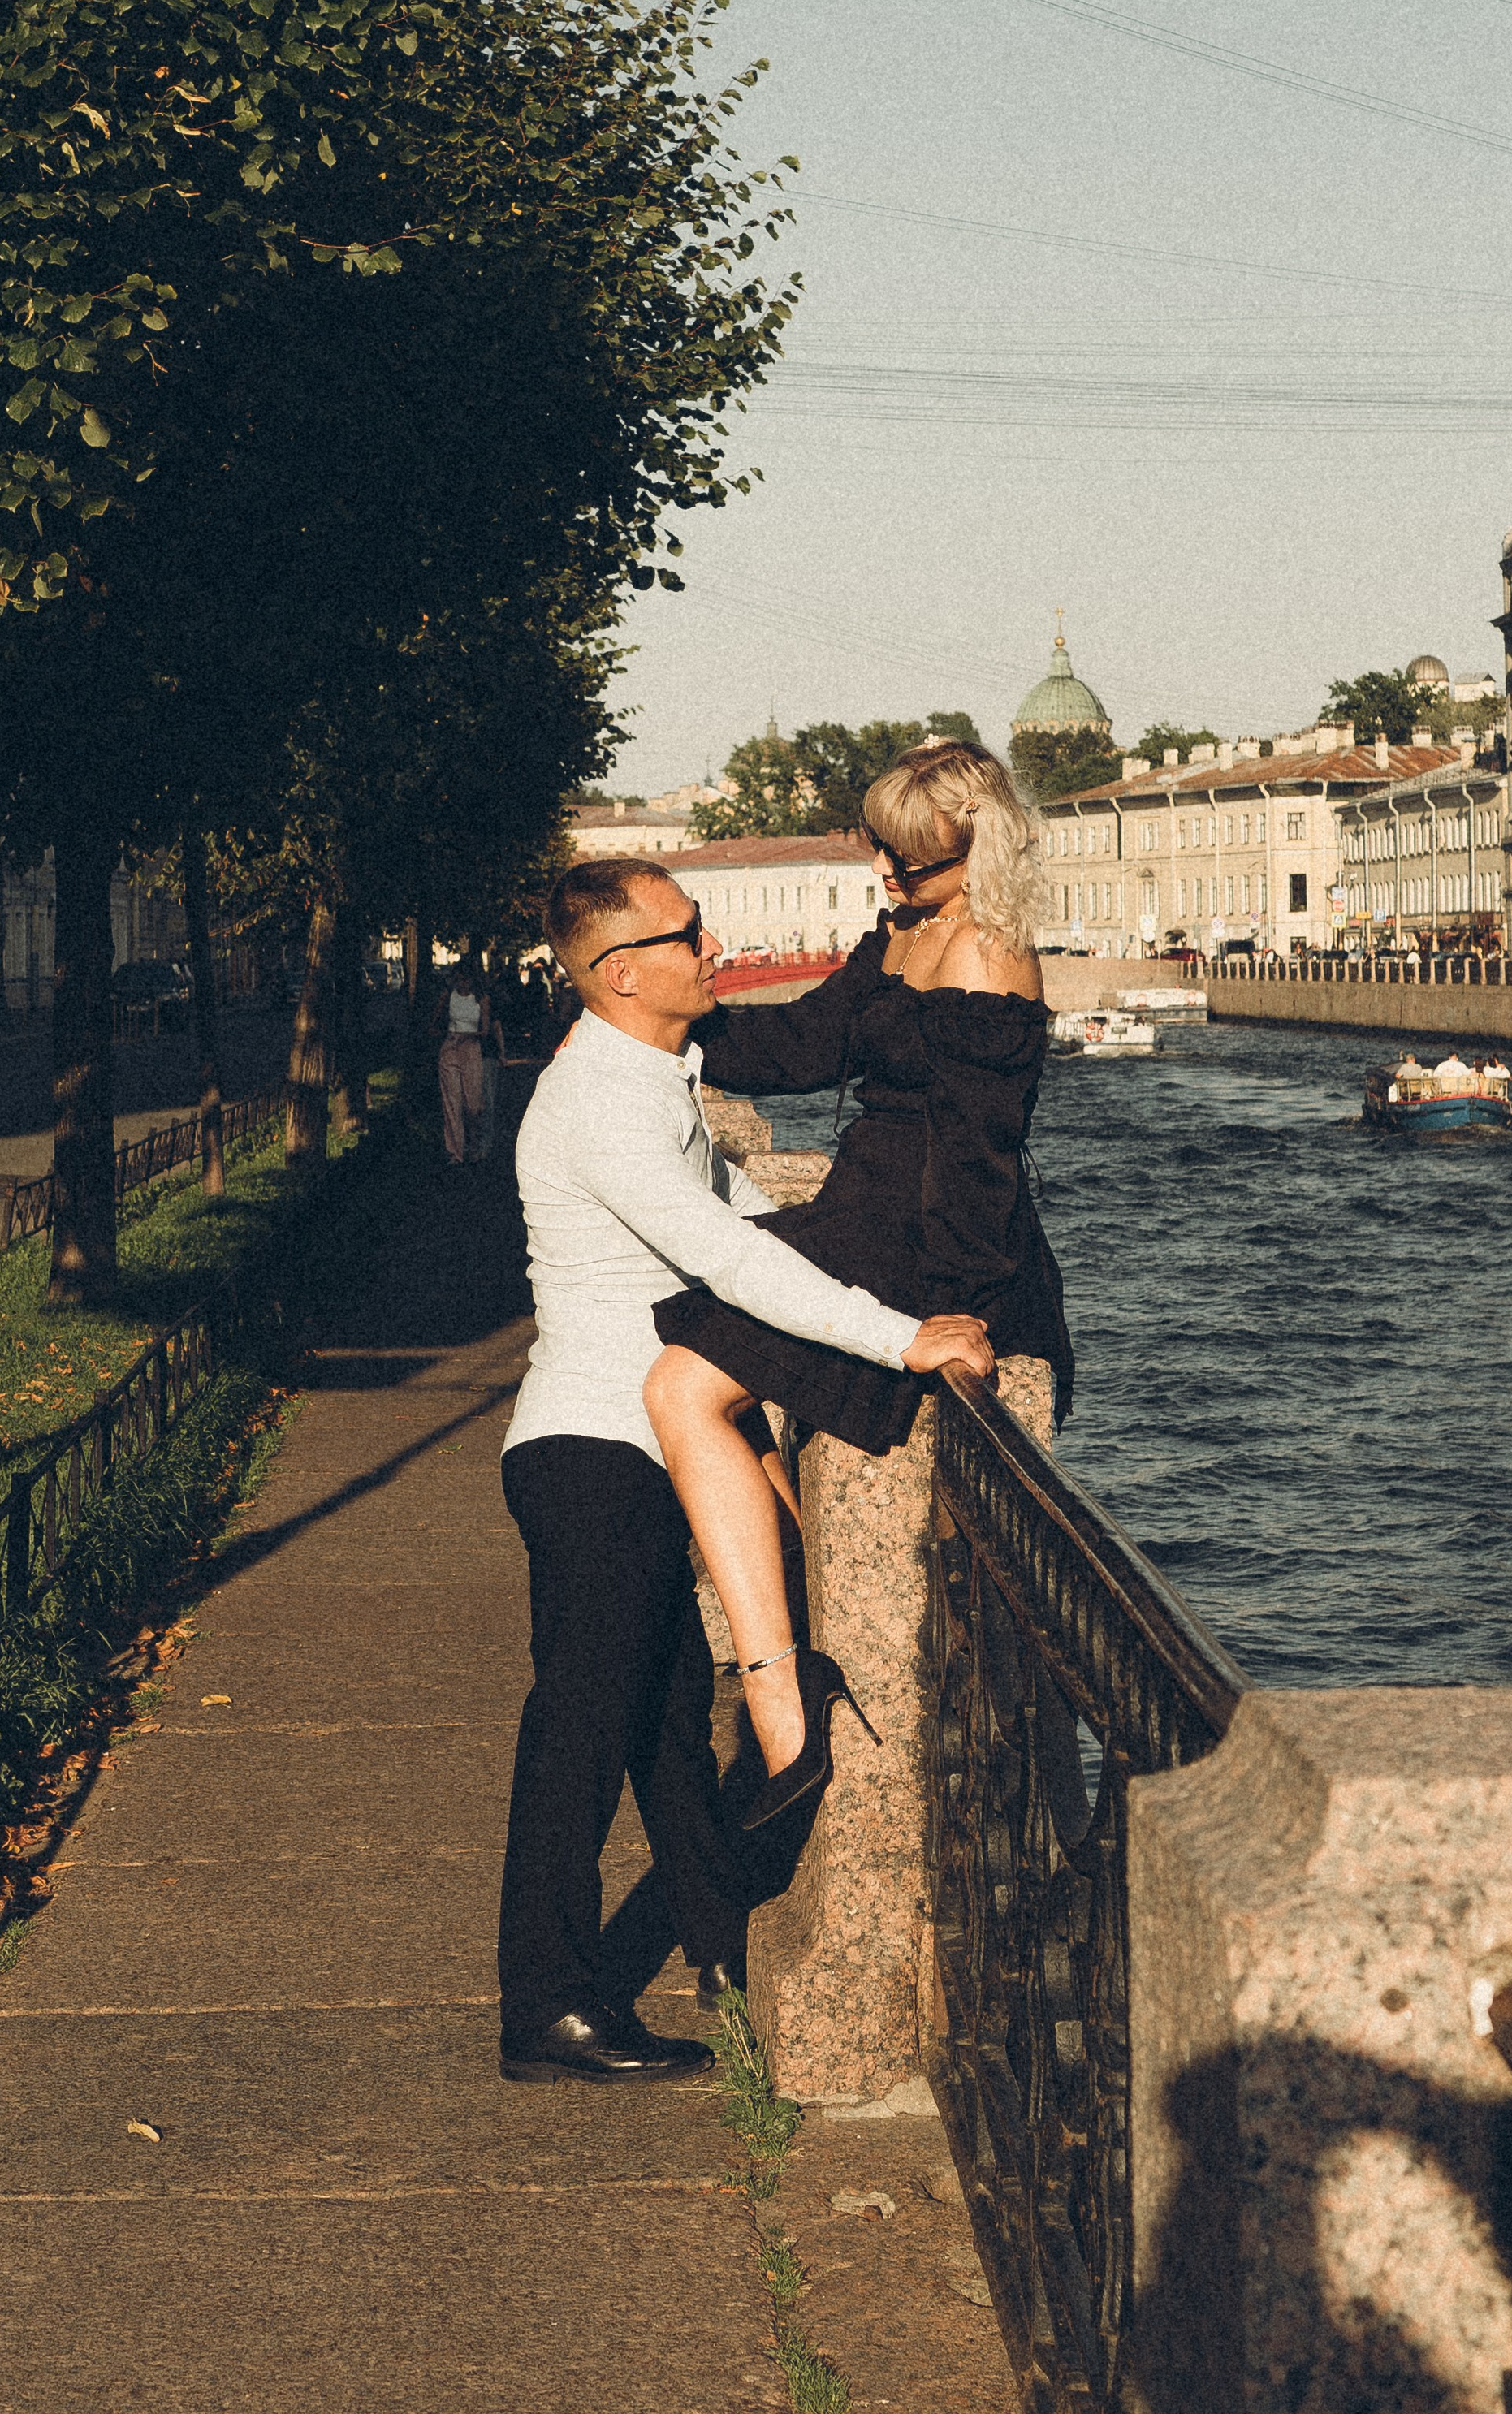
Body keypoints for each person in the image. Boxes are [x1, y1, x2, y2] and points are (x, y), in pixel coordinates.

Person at [496, 854, 994, 2086]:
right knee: (583, 1726)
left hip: (632, 1444)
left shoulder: (654, 1074)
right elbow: (730, 1261)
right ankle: (546, 2006)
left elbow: (760, 1223)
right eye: (686, 932)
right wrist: (899, 1339)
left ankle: (720, 1949)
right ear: (619, 974)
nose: (711, 945)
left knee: (665, 1725)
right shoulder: (602, 1103)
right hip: (594, 1447)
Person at [643, 739, 1071, 1832]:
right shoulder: (904, 933)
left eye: (910, 863)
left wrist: (947, 1309)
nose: (887, 876)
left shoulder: (989, 959)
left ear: (977, 855)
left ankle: (784, 1694)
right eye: (881, 853)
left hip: (930, 1248)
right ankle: (794, 1641)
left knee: (687, 1385)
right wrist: (672, 1024)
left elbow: (980, 1157)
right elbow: (802, 1045)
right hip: (862, 1215)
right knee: (685, 1381)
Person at [434, 959, 503, 1164]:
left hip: (471, 1048)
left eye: (466, 980)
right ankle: (455, 1152)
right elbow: (435, 1022)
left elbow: (485, 1029)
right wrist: (444, 1035)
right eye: (459, 980)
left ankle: (473, 1143)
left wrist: (468, 1036)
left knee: (473, 1104)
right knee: (452, 1102)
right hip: (451, 1048)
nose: (462, 984)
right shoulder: (448, 996)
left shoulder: (481, 1000)